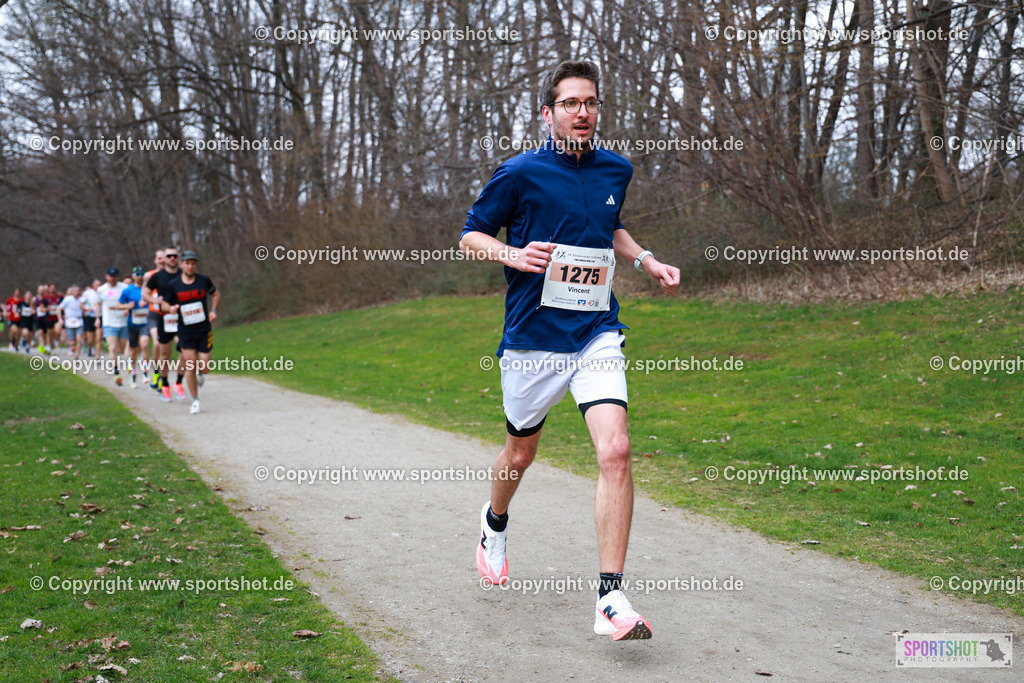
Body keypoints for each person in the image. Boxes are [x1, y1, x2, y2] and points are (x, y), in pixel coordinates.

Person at [459, 60, 680, 641]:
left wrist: (645, 260)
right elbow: (471, 233)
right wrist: (512, 255)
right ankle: (495, 522)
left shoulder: (616, 168)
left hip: (595, 332)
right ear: (548, 112)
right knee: (520, 454)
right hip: (533, 338)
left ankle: (611, 596)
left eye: (591, 102)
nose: (582, 112)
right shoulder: (519, 173)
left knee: (617, 450)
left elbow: (609, 228)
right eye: (570, 103)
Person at [160, 250, 219, 414]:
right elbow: (164, 304)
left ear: (196, 265)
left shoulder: (204, 280)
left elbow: (215, 294)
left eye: (193, 263)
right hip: (185, 331)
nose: (190, 266)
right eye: (187, 263)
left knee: (205, 367)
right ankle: (195, 400)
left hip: (203, 329)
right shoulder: (174, 285)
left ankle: (202, 372)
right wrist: (170, 308)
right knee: (190, 364)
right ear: (182, 265)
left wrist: (213, 310)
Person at [143, 246, 185, 401]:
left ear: (178, 258)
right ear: (165, 259)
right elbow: (145, 294)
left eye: (175, 255)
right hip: (164, 318)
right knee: (165, 355)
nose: (172, 258)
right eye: (169, 256)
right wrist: (155, 301)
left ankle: (179, 382)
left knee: (185, 352)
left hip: (182, 318)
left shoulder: (184, 274)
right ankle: (165, 384)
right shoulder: (157, 277)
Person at [118, 267, 151, 388]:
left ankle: (145, 372)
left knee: (145, 345)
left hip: (146, 323)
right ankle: (133, 375)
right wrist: (127, 306)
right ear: (133, 276)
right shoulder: (128, 290)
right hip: (133, 324)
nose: (140, 276)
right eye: (138, 274)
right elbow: (118, 305)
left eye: (142, 274)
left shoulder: (148, 289)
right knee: (133, 351)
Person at [97, 267, 129, 385]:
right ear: (106, 277)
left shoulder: (124, 288)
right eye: (110, 276)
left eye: (114, 276)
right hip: (109, 322)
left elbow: (129, 302)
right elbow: (98, 304)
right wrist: (97, 318)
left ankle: (127, 364)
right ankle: (116, 373)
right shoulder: (101, 289)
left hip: (123, 322)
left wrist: (127, 309)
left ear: (118, 277)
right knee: (113, 347)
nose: (112, 278)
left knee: (122, 348)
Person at [144, 249, 166, 390]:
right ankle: (156, 374)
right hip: (153, 315)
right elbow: (144, 293)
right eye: (159, 258)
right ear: (155, 260)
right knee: (157, 343)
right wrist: (153, 300)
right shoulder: (149, 275)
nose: (161, 261)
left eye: (163, 258)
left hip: (169, 315)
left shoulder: (173, 275)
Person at [58, 285, 85, 358]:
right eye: (75, 290)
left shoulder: (82, 299)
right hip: (69, 321)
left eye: (78, 290)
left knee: (79, 339)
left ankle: (77, 356)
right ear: (72, 292)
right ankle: (71, 347)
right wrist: (60, 319)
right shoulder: (67, 299)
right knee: (72, 341)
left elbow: (86, 307)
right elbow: (59, 308)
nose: (77, 292)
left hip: (79, 321)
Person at [80, 281, 101, 357]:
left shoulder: (102, 292)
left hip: (100, 316)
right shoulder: (88, 293)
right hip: (90, 317)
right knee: (90, 339)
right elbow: (81, 304)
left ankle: (97, 356)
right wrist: (86, 309)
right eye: (96, 285)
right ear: (93, 285)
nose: (98, 286)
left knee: (98, 338)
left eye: (99, 285)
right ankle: (90, 348)